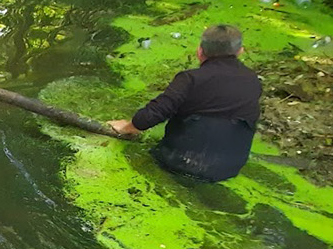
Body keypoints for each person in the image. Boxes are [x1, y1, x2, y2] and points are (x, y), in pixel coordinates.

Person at [107, 24, 262, 183]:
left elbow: (156, 111)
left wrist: (129, 127)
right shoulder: (253, 81)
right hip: (229, 169)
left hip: (179, 162)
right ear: (240, 51)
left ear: (199, 51)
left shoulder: (191, 79)